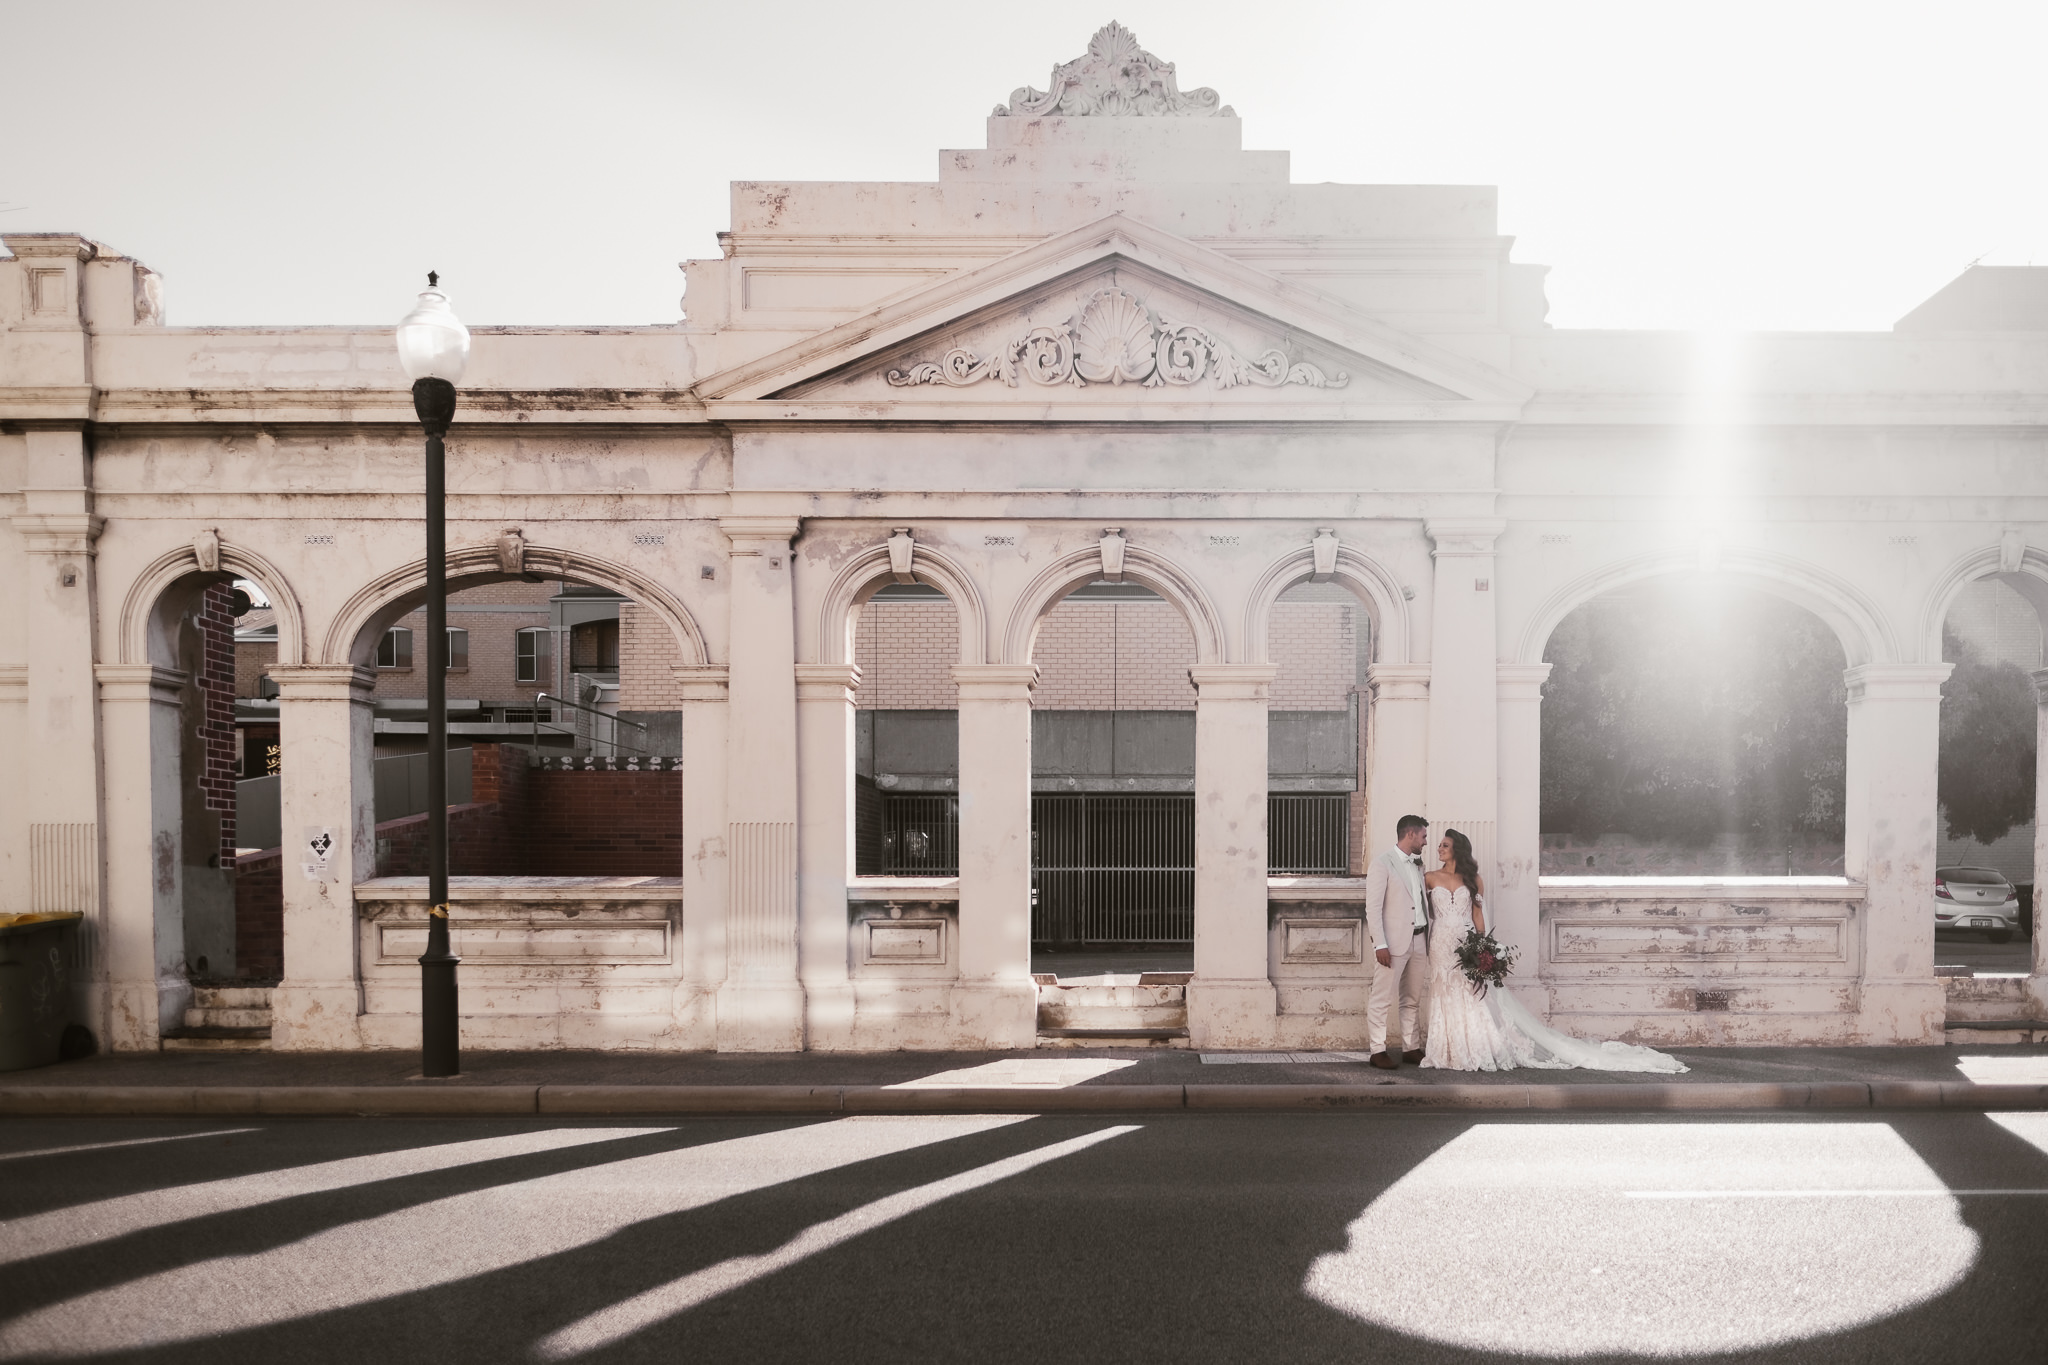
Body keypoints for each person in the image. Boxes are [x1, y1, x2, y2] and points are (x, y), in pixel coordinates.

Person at [1418, 828, 1687, 1073]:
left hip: (1466, 943)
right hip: (1442, 942)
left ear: (1458, 850)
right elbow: (1427, 913)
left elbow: (1478, 917)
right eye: (1439, 845)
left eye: (1445, 845)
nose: (1439, 848)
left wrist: (1481, 949)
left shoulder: (1474, 879)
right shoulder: (1429, 877)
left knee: (1471, 993)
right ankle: (1448, 1049)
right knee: (1444, 989)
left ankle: (1476, 1046)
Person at [1363, 813, 1432, 1069]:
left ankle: (1410, 1047)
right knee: (1382, 997)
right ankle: (1377, 1050)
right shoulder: (1382, 864)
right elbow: (1373, 908)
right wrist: (1380, 944)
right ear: (1410, 834)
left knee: (1412, 998)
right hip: (1391, 944)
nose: (1426, 842)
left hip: (1420, 940)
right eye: (1423, 836)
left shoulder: (1418, 865)